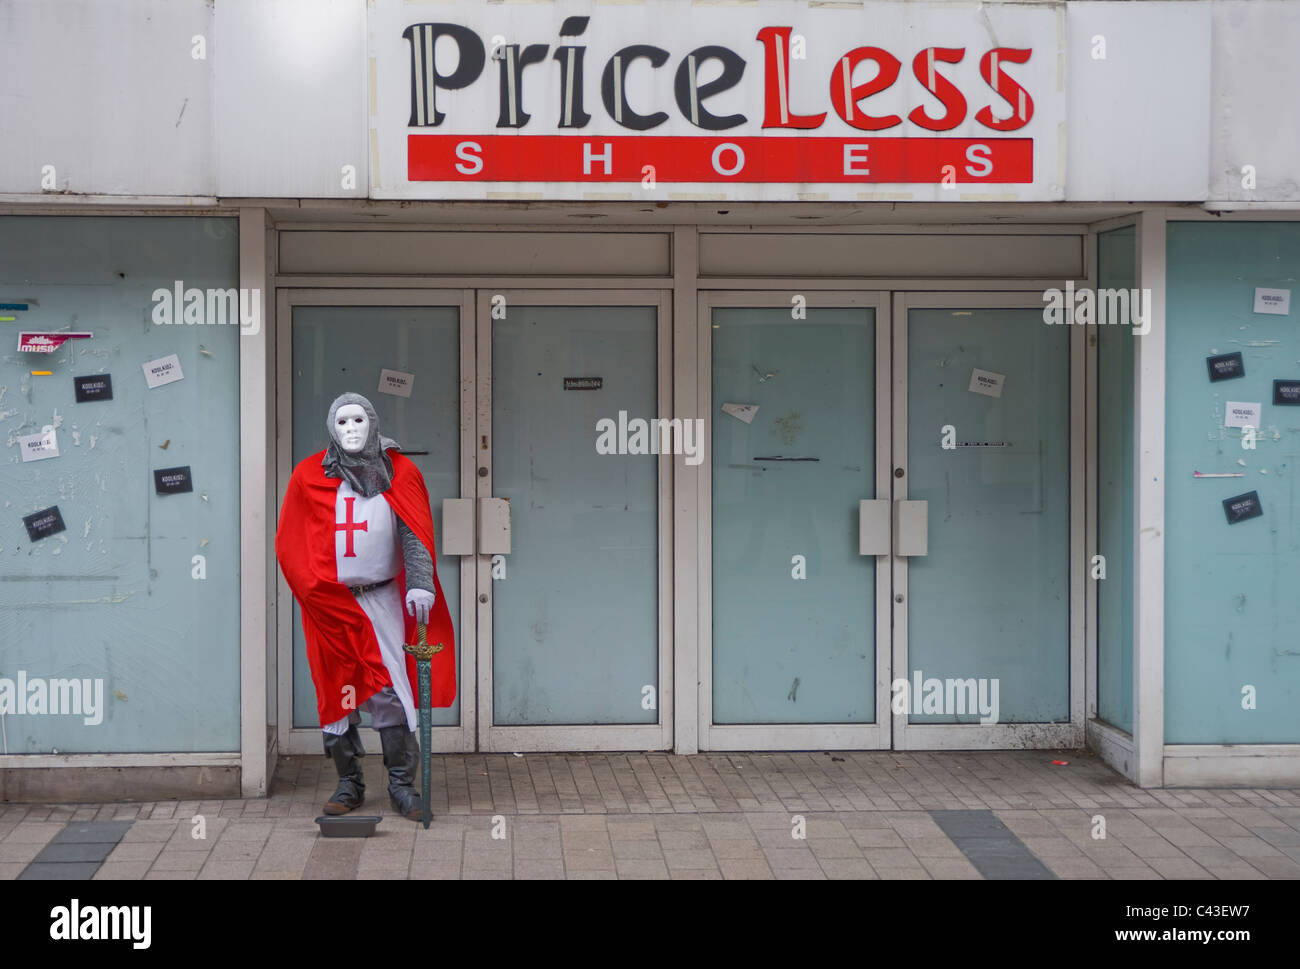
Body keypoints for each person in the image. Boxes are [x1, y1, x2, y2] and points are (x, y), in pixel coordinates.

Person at [275, 392, 456, 821]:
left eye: (358, 420)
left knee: (389, 689)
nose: (351, 429)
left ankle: (401, 785)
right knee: (339, 690)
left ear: (372, 422)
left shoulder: (399, 471)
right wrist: (313, 591)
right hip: (331, 604)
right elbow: (292, 541)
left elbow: (414, 531)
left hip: (382, 600)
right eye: (342, 421)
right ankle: (349, 783)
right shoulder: (309, 475)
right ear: (331, 427)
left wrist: (420, 583)